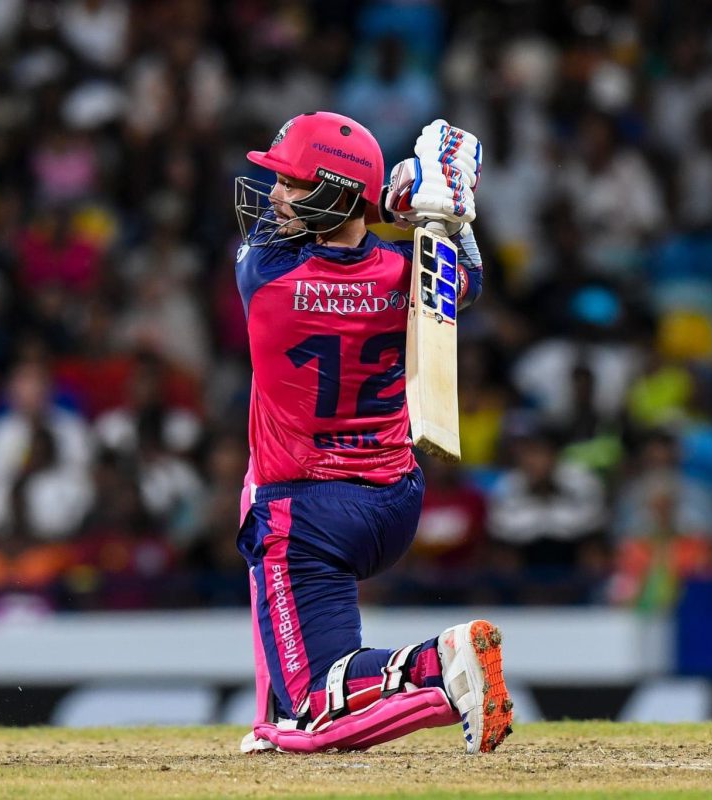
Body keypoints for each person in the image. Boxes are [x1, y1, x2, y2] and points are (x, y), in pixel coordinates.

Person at [232, 112, 511, 754]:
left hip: (307, 510)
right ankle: (276, 708)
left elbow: (325, 226)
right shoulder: (405, 273)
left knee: (312, 709)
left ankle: (438, 665)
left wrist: (397, 195)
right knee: (257, 499)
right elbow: (467, 275)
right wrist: (433, 209)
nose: (272, 195)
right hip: (395, 499)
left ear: (331, 193)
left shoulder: (264, 273)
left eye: (290, 184)